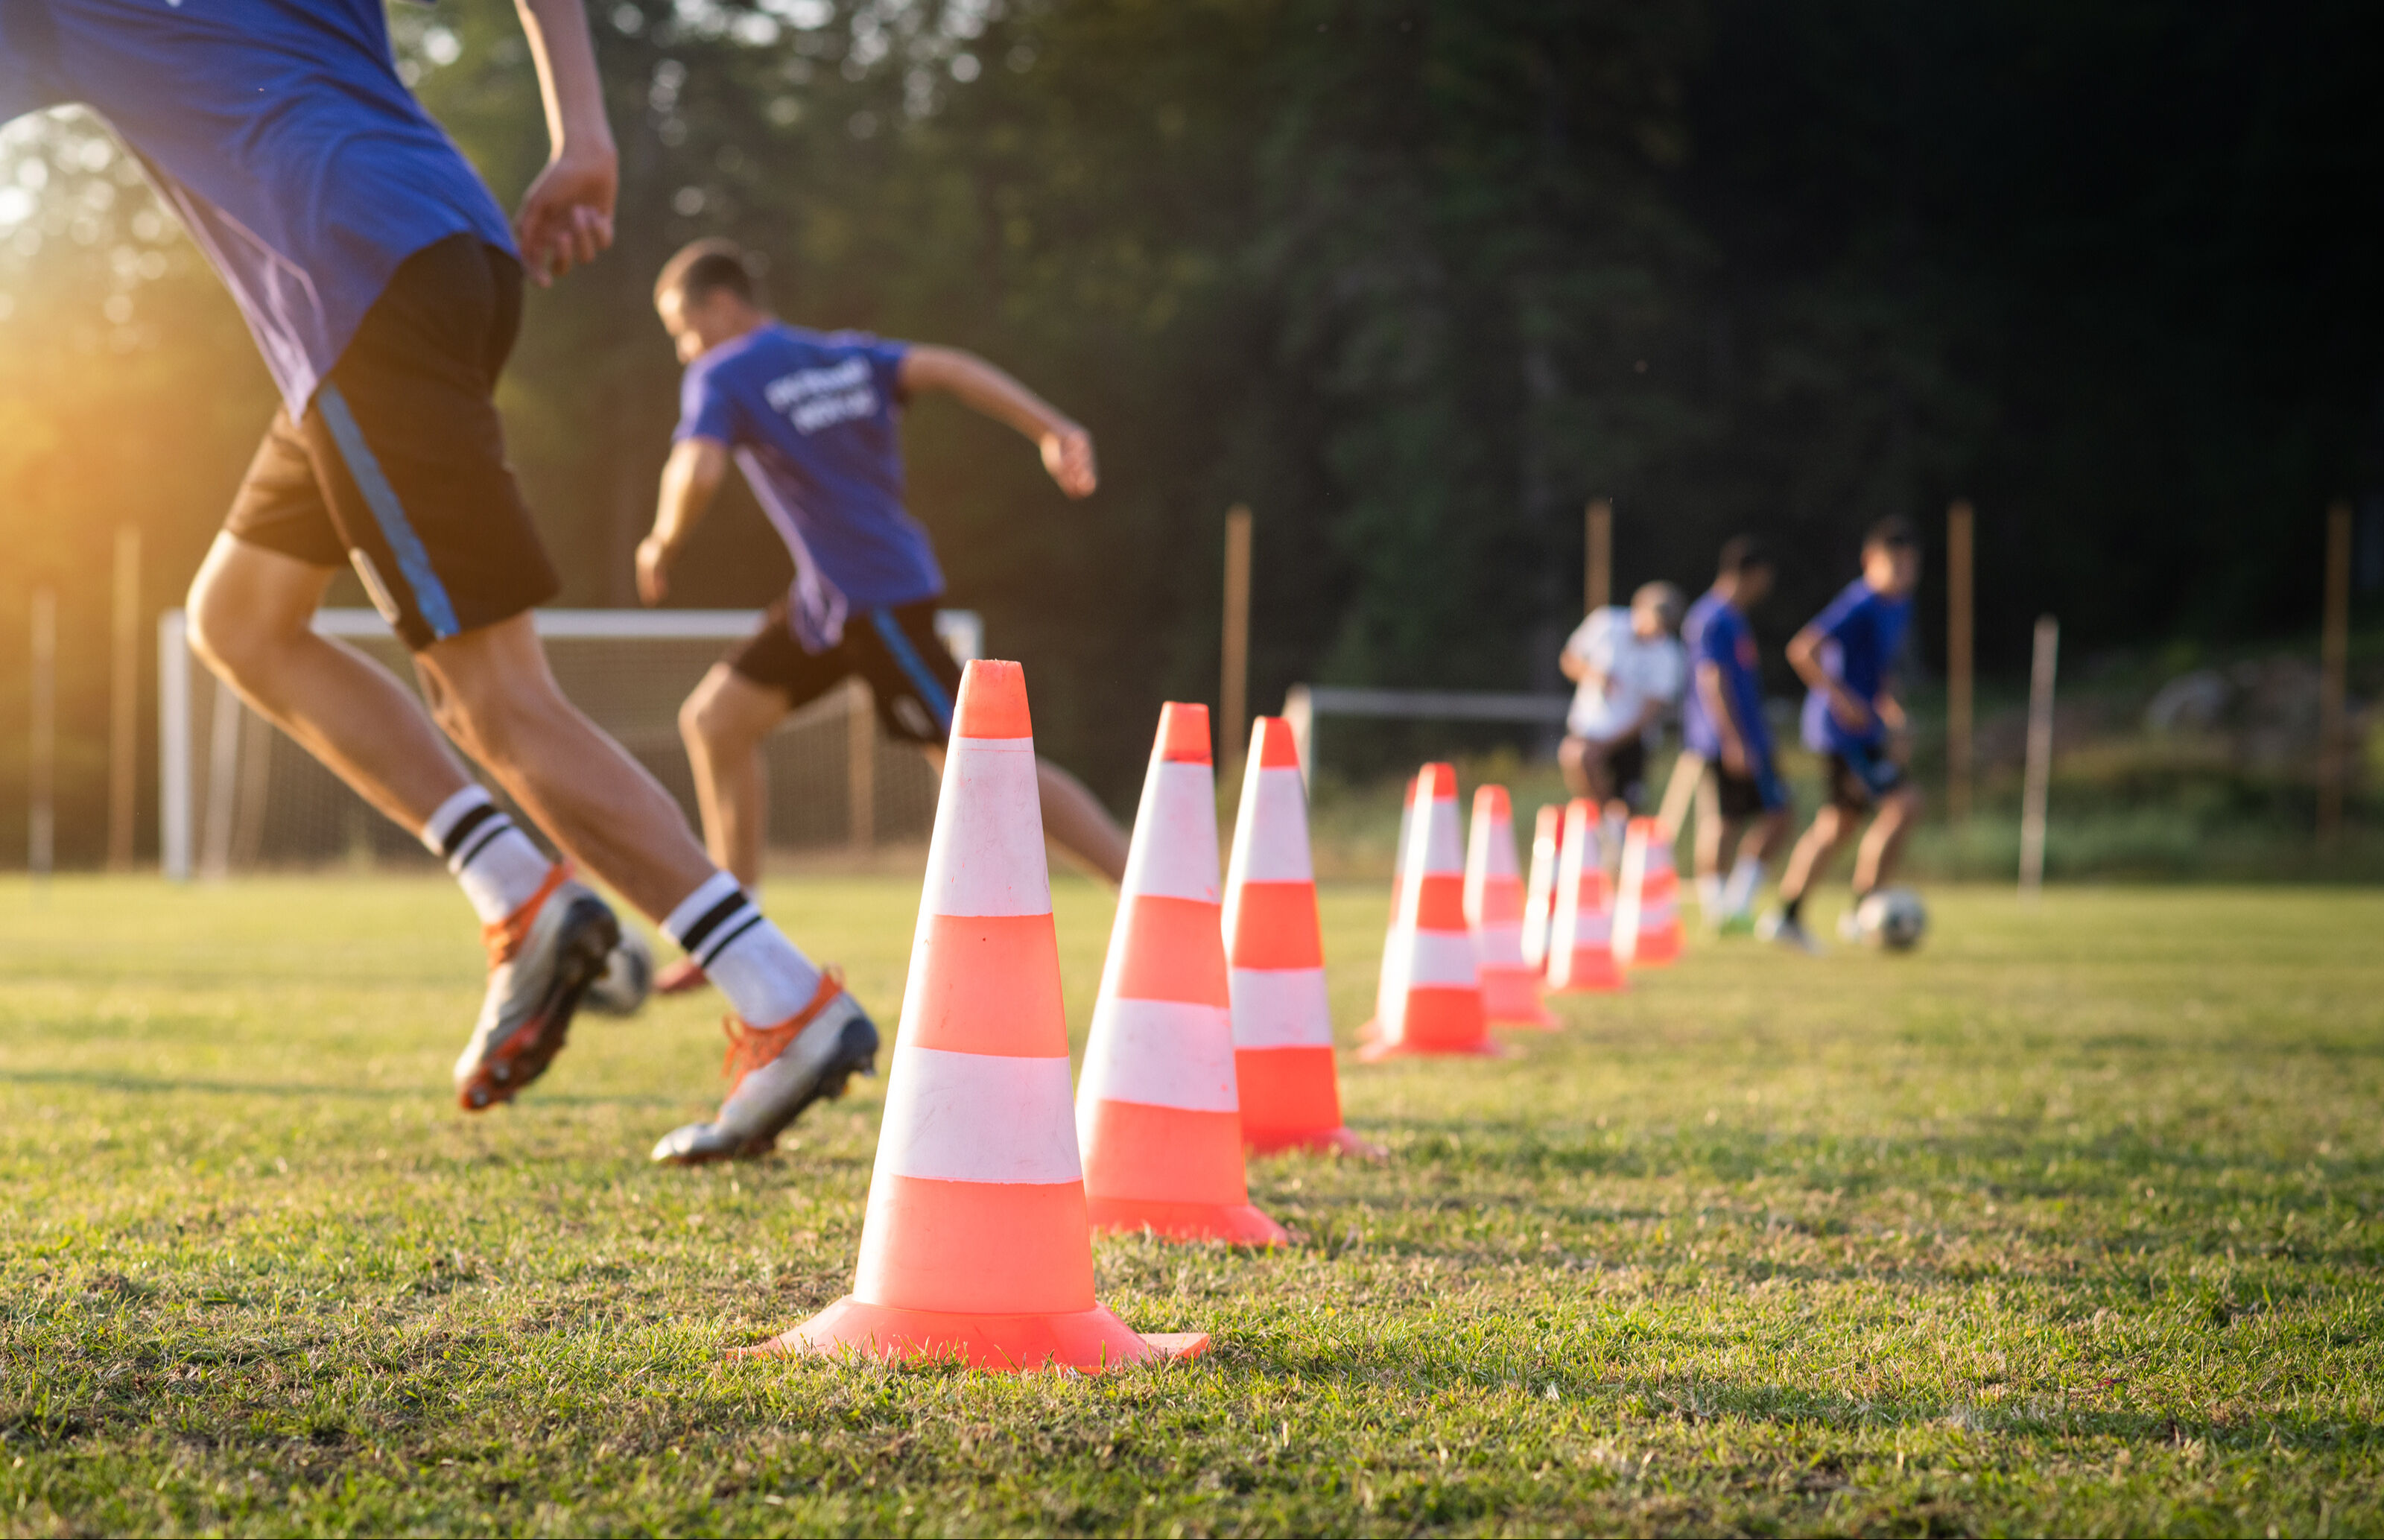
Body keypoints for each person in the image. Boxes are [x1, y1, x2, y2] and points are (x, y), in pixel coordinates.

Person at [0, 0, 872, 1164]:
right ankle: (520, 888)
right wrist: (585, 136)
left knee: (493, 698)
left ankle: (783, 997)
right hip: (447, 247)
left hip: (348, 275)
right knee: (241, 617)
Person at [633, 238, 1132, 994]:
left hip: (878, 604)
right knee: (715, 721)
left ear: (723, 306)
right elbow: (952, 369)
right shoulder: (846, 357)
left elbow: (695, 465)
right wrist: (1049, 427)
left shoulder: (721, 373)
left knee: (981, 764)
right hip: (827, 604)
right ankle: (732, 929)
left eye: (682, 328)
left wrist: (661, 541)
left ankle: (1154, 896)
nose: (682, 349)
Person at [1761, 516, 1924, 952]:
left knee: (1838, 826)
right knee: (1904, 805)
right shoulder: (1860, 602)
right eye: (1896, 564)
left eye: (1911, 565)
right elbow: (1803, 649)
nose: (1905, 574)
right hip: (1843, 732)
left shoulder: (1897, 605)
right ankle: (1861, 911)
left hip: (1865, 729)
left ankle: (1788, 916)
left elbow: (1878, 669)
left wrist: (1891, 711)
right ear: (1870, 561)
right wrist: (1845, 700)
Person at [1681, 537, 1790, 934]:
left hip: (1747, 736)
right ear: (1750, 573)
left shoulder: (1732, 617)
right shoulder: (1712, 618)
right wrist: (1733, 739)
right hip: (1727, 739)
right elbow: (1713, 681)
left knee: (1761, 817)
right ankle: (1721, 908)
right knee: (1733, 820)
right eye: (1765, 577)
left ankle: (1732, 904)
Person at [1559, 582, 1687, 853]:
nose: (1658, 630)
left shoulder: (1669, 654)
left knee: (1631, 810)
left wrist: (1608, 746)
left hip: (1632, 738)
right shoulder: (1606, 623)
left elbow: (1652, 711)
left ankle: (1628, 859)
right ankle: (1603, 828)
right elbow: (1570, 659)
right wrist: (1593, 674)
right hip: (1591, 727)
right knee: (1577, 758)